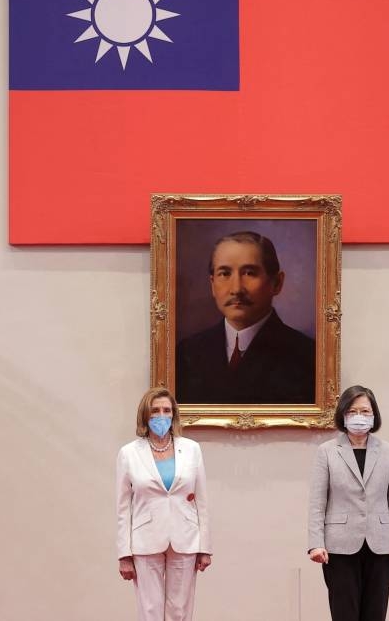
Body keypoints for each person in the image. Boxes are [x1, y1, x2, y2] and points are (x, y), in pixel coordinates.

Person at [307, 385, 389, 621]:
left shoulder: (388, 451)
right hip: (339, 546)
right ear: (343, 414)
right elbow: (317, 502)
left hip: (381, 545)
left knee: (375, 613)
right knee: (344, 613)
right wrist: (315, 543)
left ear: (374, 415)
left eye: (365, 411)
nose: (359, 417)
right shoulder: (327, 452)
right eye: (353, 411)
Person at [176, 230, 315, 404]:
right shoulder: (186, 353)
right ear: (212, 284)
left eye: (249, 273)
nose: (236, 288)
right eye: (225, 274)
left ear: (277, 283)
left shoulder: (308, 357)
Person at [116, 387, 212, 621]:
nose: (161, 416)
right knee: (151, 610)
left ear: (174, 414)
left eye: (166, 411)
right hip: (145, 540)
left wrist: (205, 547)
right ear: (145, 416)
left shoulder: (191, 449)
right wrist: (124, 554)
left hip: (185, 537)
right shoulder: (129, 453)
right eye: (155, 411)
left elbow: (202, 500)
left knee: (179, 610)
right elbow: (122, 507)